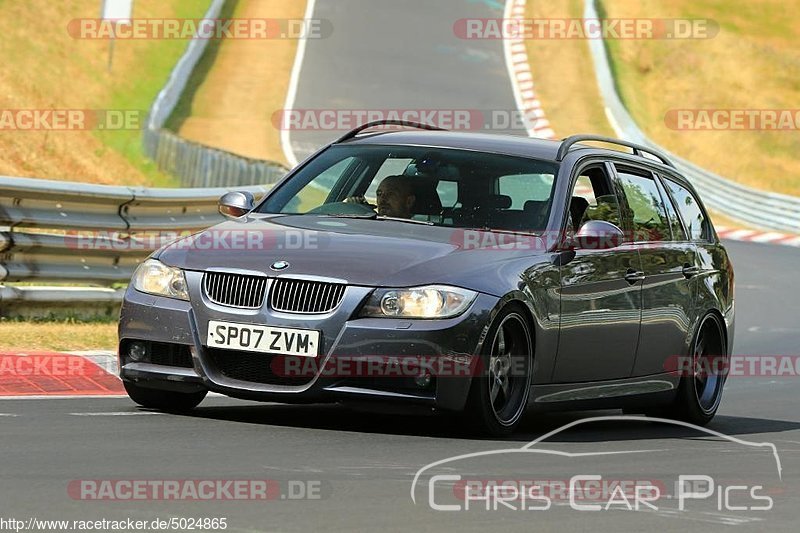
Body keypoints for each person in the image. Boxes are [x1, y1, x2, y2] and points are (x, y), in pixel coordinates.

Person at [344, 175, 416, 218]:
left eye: (390, 194)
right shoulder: (368, 222)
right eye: (379, 194)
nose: (383, 199)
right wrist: (354, 210)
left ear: (409, 201)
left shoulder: (418, 232)